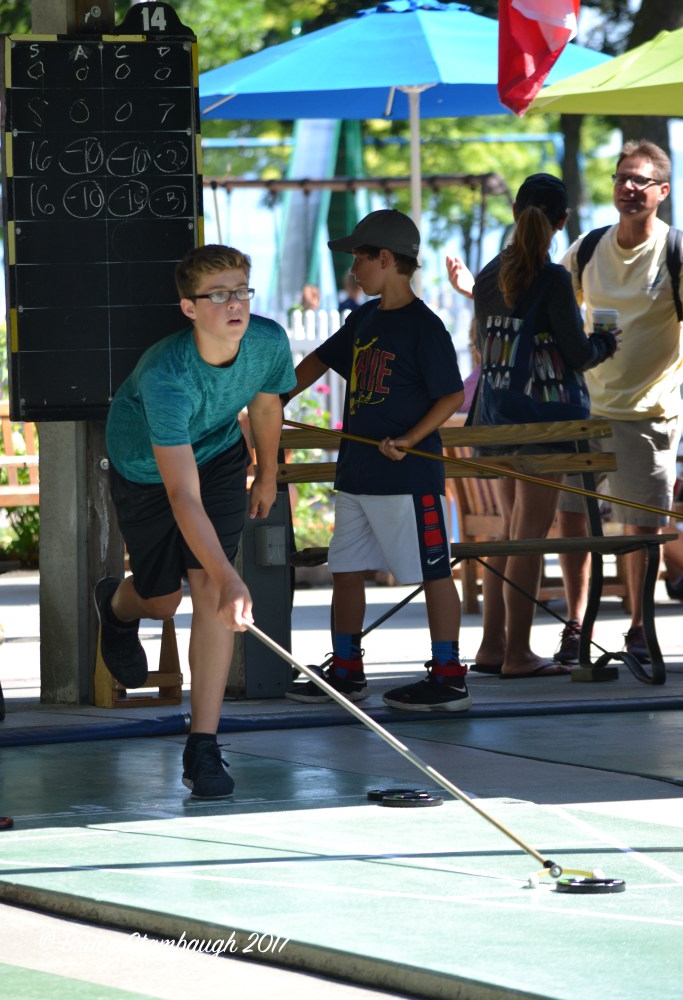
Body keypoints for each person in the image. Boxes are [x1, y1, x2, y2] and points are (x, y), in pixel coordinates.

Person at [95, 244, 296, 799]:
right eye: (220, 295)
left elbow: (264, 405)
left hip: (220, 456)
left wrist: (268, 476)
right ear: (190, 308)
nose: (236, 304)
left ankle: (203, 745)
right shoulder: (167, 374)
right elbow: (182, 495)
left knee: (209, 587)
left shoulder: (267, 340)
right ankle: (116, 606)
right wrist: (234, 578)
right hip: (148, 473)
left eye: (242, 291)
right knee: (164, 601)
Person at [282, 208, 471, 712]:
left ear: (386, 260)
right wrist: (271, 399)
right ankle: (347, 669)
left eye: (359, 260)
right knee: (346, 567)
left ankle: (449, 676)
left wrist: (410, 438)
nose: (352, 272)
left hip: (408, 477)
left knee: (434, 572)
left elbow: (450, 396)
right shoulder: (362, 318)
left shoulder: (425, 328)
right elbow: (318, 360)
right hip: (358, 474)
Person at [448, 174, 620, 678]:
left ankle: (492, 646)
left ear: (517, 209)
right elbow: (577, 353)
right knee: (529, 535)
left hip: (494, 415)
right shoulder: (551, 278)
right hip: (544, 418)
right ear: (562, 222)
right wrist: (606, 342)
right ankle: (518, 654)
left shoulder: (485, 275)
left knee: (508, 532)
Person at [554, 140, 683, 664]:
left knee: (641, 527)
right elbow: (549, 304)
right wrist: (480, 292)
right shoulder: (588, 248)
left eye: (640, 181)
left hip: (648, 415)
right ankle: (576, 628)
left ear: (662, 192)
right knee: (571, 518)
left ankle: (638, 628)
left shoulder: (674, 252)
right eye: (621, 178)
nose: (628, 188)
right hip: (584, 410)